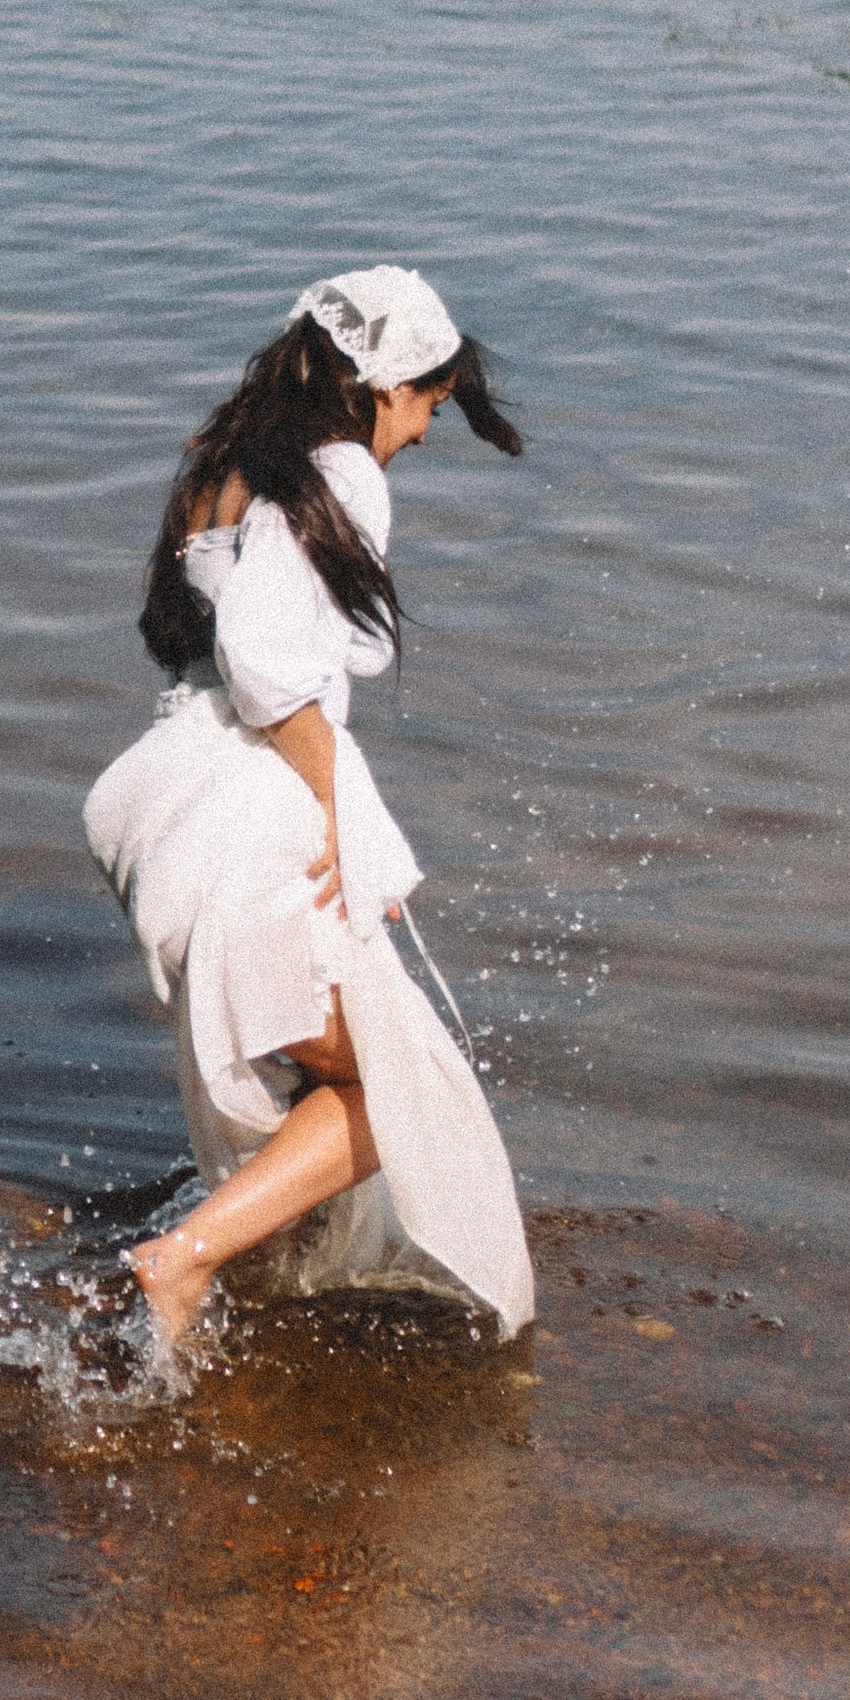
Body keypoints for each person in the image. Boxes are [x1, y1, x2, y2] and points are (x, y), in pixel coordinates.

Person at [82, 267, 536, 1348]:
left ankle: (246, 1274)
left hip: (170, 796)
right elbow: (265, 665)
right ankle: (181, 1261)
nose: (425, 432)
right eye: (428, 401)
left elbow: (195, 643)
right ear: (381, 384)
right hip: (251, 808)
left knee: (317, 1079)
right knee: (391, 1090)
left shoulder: (222, 466)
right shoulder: (337, 469)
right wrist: (343, 817)